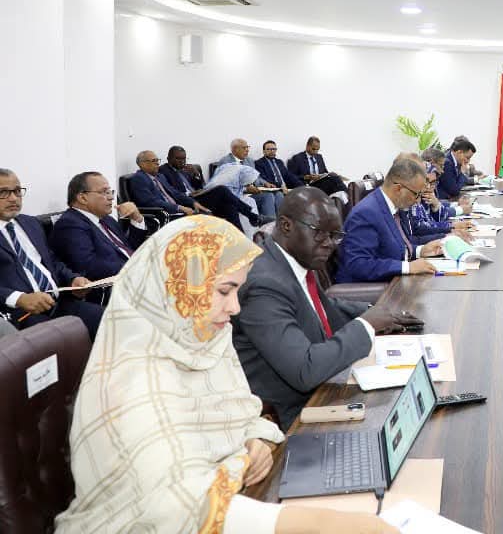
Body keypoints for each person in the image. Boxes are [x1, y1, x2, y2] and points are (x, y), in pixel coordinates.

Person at [54, 216, 396, 534]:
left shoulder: (200, 338)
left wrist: (256, 442)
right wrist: (325, 525)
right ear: (180, 288)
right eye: (223, 291)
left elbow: (244, 414)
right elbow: (179, 508)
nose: (235, 307)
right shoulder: (131, 386)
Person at [233, 188, 421, 429]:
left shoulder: (295, 259)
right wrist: (366, 325)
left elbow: (323, 307)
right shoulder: (263, 285)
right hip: (294, 417)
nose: (329, 244)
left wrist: (375, 311)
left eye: (335, 236)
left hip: (322, 391)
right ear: (286, 225)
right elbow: (304, 370)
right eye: (320, 233)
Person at [0, 168, 102, 339]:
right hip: (21, 314)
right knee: (63, 342)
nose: (13, 198)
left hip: (58, 302)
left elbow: (52, 261)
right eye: (3, 192)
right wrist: (19, 298)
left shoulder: (30, 223)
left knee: (110, 320)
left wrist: (72, 279)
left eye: (17, 191)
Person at [337, 158, 444, 282]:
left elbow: (390, 250)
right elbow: (359, 264)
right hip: (370, 289)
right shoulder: (366, 213)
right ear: (398, 189)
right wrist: (407, 267)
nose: (417, 201)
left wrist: (420, 251)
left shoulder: (393, 207)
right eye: (416, 194)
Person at [50, 172, 147, 302]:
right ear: (83, 198)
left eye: (110, 192)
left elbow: (128, 248)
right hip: (116, 288)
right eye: (104, 192)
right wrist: (136, 267)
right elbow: (89, 266)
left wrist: (137, 218)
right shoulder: (70, 224)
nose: (111, 197)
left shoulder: (106, 219)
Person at [130, 150, 262, 232]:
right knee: (222, 190)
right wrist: (180, 207)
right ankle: (253, 218)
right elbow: (150, 202)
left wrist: (193, 203)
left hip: (187, 203)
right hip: (168, 213)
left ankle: (240, 241)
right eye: (153, 161)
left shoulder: (159, 177)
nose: (157, 163)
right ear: (142, 164)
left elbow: (175, 193)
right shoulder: (139, 178)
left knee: (228, 206)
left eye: (157, 160)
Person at [216, 138, 281, 217]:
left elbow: (256, 177)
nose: (247, 150)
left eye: (248, 147)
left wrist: (265, 183)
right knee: (267, 196)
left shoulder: (249, 160)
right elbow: (225, 185)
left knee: (274, 194)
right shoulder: (226, 162)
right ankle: (269, 223)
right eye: (244, 148)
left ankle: (276, 221)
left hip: (251, 193)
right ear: (235, 149)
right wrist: (245, 189)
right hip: (239, 195)